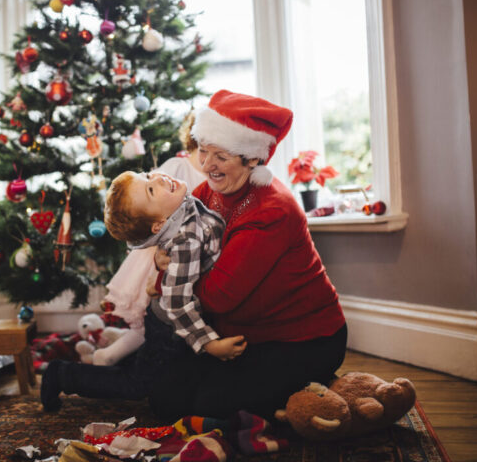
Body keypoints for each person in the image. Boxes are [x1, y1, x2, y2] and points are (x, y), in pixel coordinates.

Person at [146, 89, 347, 422]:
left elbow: (218, 296)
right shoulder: (207, 191)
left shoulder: (272, 210)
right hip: (238, 335)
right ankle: (286, 395)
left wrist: (170, 275)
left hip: (302, 339)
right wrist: (164, 262)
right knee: (164, 400)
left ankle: (317, 389)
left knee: (207, 407)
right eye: (203, 151)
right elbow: (173, 247)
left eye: (220, 156)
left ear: (252, 158)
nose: (206, 165)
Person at [93, 111, 206, 366]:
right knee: (150, 314)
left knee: (157, 320)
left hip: (190, 255)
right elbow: (144, 205)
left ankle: (123, 345)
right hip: (159, 254)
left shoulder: (219, 176)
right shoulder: (177, 168)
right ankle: (114, 354)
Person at [104, 170, 245, 360]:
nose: (158, 178)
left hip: (171, 320)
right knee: (143, 385)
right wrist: (210, 344)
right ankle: (86, 365)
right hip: (170, 327)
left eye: (146, 175)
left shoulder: (178, 207)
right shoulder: (185, 241)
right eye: (151, 190)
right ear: (159, 224)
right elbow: (177, 303)